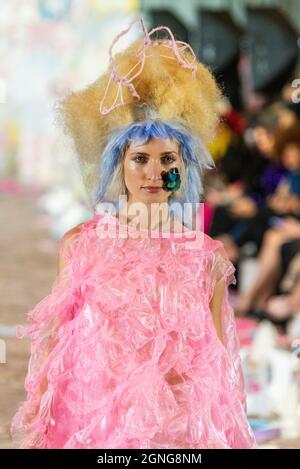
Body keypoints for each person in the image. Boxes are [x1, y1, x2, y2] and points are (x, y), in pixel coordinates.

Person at [11, 18, 256, 449]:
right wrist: (37, 414)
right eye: (140, 159)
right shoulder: (82, 244)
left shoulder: (205, 257)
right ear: (118, 166)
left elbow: (218, 360)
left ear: (183, 170)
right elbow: (58, 339)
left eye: (168, 162)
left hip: (177, 430)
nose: (154, 174)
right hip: (97, 422)